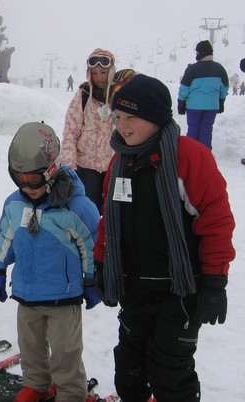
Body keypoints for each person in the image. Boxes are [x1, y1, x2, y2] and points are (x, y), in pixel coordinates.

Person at [95, 74, 236, 402]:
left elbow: (216, 221)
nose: (123, 126)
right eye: (118, 117)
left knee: (169, 373)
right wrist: (102, 262)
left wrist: (215, 281)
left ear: (157, 117)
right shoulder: (120, 162)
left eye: (132, 117)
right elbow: (108, 220)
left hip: (180, 291)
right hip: (135, 288)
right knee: (129, 372)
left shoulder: (189, 157)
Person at [0, 122, 101, 402]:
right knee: (30, 346)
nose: (27, 188)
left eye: (33, 181)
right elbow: (6, 237)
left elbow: (91, 246)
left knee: (66, 352)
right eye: (20, 180)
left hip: (64, 297)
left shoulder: (77, 208)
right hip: (26, 293)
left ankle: (71, 392)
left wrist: (92, 280)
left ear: (51, 170)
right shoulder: (14, 204)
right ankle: (37, 384)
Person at [60, 48, 117, 212]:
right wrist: (69, 167)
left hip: (113, 164)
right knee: (87, 210)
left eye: (103, 72)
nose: (99, 77)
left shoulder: (120, 95)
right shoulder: (83, 95)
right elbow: (70, 132)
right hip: (86, 166)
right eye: (95, 72)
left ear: (111, 71)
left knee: (112, 211)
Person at [177, 40, 229, 149]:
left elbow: (184, 88)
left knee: (193, 128)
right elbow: (224, 87)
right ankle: (205, 153)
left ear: (200, 53)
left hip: (193, 106)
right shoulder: (219, 68)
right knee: (206, 128)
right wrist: (221, 100)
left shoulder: (192, 69)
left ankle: (191, 152)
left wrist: (181, 102)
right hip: (212, 106)